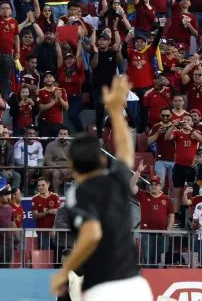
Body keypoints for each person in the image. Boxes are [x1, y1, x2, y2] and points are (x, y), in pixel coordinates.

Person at [50, 76, 153, 301]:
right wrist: (116, 112)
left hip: (105, 287)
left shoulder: (80, 193)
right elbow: (125, 150)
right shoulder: (114, 180)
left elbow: (91, 233)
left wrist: (67, 270)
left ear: (73, 165)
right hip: (135, 285)